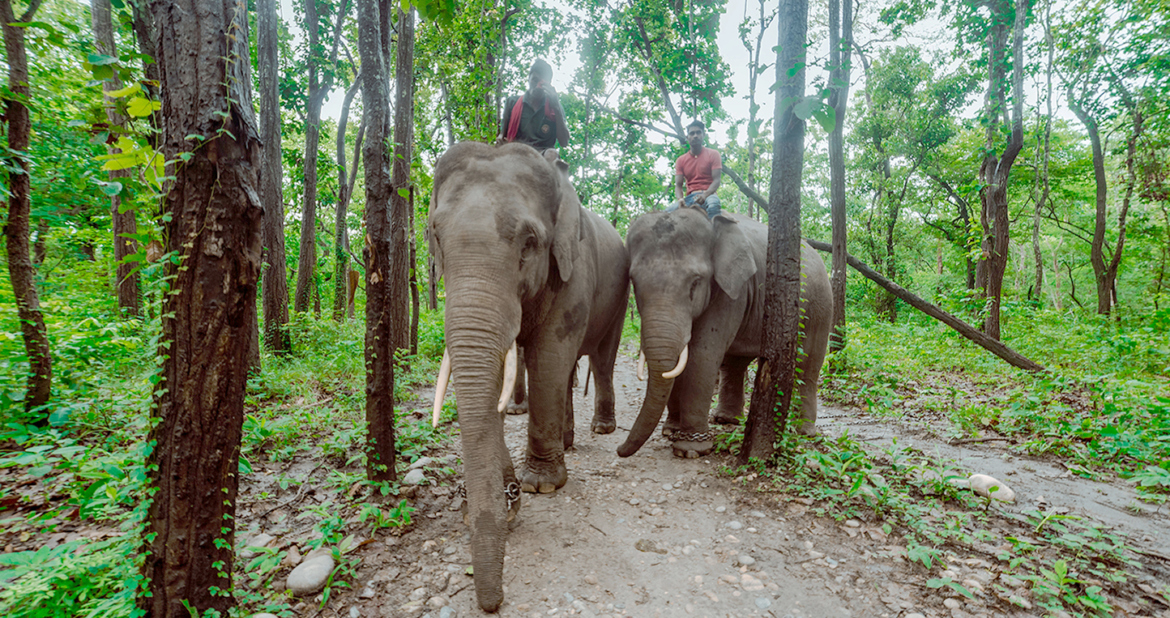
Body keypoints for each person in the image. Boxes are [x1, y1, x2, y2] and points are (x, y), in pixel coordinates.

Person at [500, 59, 571, 150]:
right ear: (529, 79)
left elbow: (564, 142)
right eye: (535, 80)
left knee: (552, 154)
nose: (537, 86)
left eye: (542, 83)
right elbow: (503, 136)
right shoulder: (512, 103)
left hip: (543, 154)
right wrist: (500, 139)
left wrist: (556, 108)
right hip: (517, 152)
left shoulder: (554, 108)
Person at [668, 120, 722, 219]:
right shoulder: (681, 160)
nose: (695, 136)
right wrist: (680, 199)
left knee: (713, 205)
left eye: (698, 132)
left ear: (703, 135)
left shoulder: (713, 154)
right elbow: (678, 185)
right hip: (691, 197)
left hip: (709, 194)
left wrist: (705, 195)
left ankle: (716, 227)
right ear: (687, 137)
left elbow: (717, 180)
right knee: (664, 214)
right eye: (692, 133)